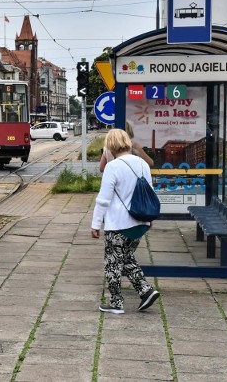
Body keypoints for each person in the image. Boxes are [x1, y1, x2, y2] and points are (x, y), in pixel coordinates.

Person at [91, 128, 160, 314]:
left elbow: (103, 199)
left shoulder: (113, 167)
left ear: (110, 146)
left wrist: (95, 224)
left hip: (119, 225)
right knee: (127, 257)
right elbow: (150, 193)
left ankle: (116, 303)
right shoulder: (142, 164)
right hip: (140, 222)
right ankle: (146, 291)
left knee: (112, 263)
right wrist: (150, 219)